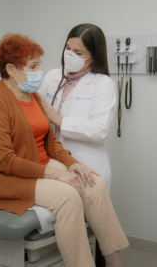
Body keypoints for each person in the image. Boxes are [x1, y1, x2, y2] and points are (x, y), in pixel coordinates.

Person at [0, 33, 128, 267]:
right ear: (11, 70)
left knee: (94, 182)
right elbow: (5, 162)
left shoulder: (32, 94)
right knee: (68, 197)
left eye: (38, 66)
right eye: (33, 67)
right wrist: (58, 174)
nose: (38, 73)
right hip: (3, 175)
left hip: (37, 162)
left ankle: (115, 262)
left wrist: (73, 164)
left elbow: (50, 139)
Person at [38, 23, 116, 192]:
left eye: (78, 53)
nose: (69, 55)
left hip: (86, 165)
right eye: (68, 48)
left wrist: (58, 120)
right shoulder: (52, 76)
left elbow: (99, 130)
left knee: (84, 215)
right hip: (52, 161)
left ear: (93, 57)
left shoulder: (103, 84)